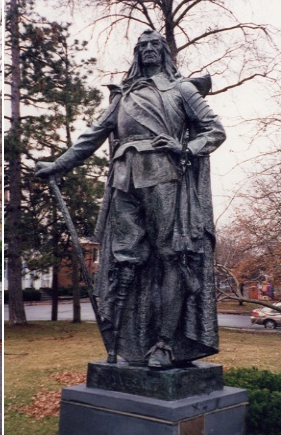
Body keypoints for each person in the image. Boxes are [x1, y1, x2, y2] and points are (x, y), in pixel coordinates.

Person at [36, 30, 226, 369]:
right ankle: (124, 340)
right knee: (125, 261)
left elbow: (214, 129)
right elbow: (92, 136)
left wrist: (186, 149)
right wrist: (58, 165)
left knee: (170, 258)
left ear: (165, 53)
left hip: (164, 176)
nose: (149, 50)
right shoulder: (123, 95)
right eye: (143, 46)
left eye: (156, 45)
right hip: (124, 180)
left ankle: (166, 344)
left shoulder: (181, 90)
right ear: (136, 54)